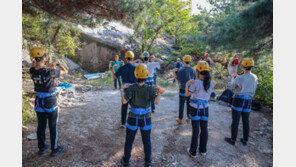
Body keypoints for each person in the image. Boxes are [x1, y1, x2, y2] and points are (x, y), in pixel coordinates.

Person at [120, 64, 163, 167]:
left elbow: (124, 101)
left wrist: (122, 89)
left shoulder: (131, 88)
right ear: (147, 75)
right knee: (146, 140)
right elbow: (156, 102)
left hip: (133, 117)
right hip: (145, 118)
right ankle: (148, 162)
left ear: (136, 75)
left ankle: (126, 161)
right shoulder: (150, 88)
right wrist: (160, 92)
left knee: (129, 141)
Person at [29, 47, 68, 156]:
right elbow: (65, 71)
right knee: (52, 125)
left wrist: (45, 65)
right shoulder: (50, 72)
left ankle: (42, 147)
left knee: (41, 125)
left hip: (38, 101)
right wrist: (57, 64)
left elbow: (35, 66)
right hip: (50, 101)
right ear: (44, 58)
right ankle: (54, 148)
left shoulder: (32, 71)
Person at [224, 58, 258, 146]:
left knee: (235, 121)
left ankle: (233, 139)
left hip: (238, 100)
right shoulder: (255, 77)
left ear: (243, 67)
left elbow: (230, 87)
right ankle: (245, 140)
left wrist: (230, 77)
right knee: (246, 121)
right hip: (248, 100)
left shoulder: (240, 77)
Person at [185, 61, 215, 157]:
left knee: (196, 130)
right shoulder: (211, 83)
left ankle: (193, 151)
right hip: (205, 109)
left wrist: (187, 84)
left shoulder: (196, 83)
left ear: (198, 71)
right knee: (204, 129)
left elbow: (187, 94)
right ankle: (203, 150)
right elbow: (213, 83)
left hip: (195, 109)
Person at [112, 51, 137, 128]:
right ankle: (135, 122)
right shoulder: (136, 68)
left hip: (125, 88)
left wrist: (113, 68)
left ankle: (123, 123)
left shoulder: (122, 68)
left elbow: (114, 77)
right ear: (133, 58)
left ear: (126, 59)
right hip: (133, 88)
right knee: (134, 106)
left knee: (124, 105)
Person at [175, 55, 197, 124]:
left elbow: (177, 79)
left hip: (182, 89)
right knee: (189, 104)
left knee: (181, 104)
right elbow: (194, 79)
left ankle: (180, 119)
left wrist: (174, 73)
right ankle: (189, 118)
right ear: (189, 61)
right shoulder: (193, 70)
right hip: (190, 90)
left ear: (183, 61)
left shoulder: (181, 70)